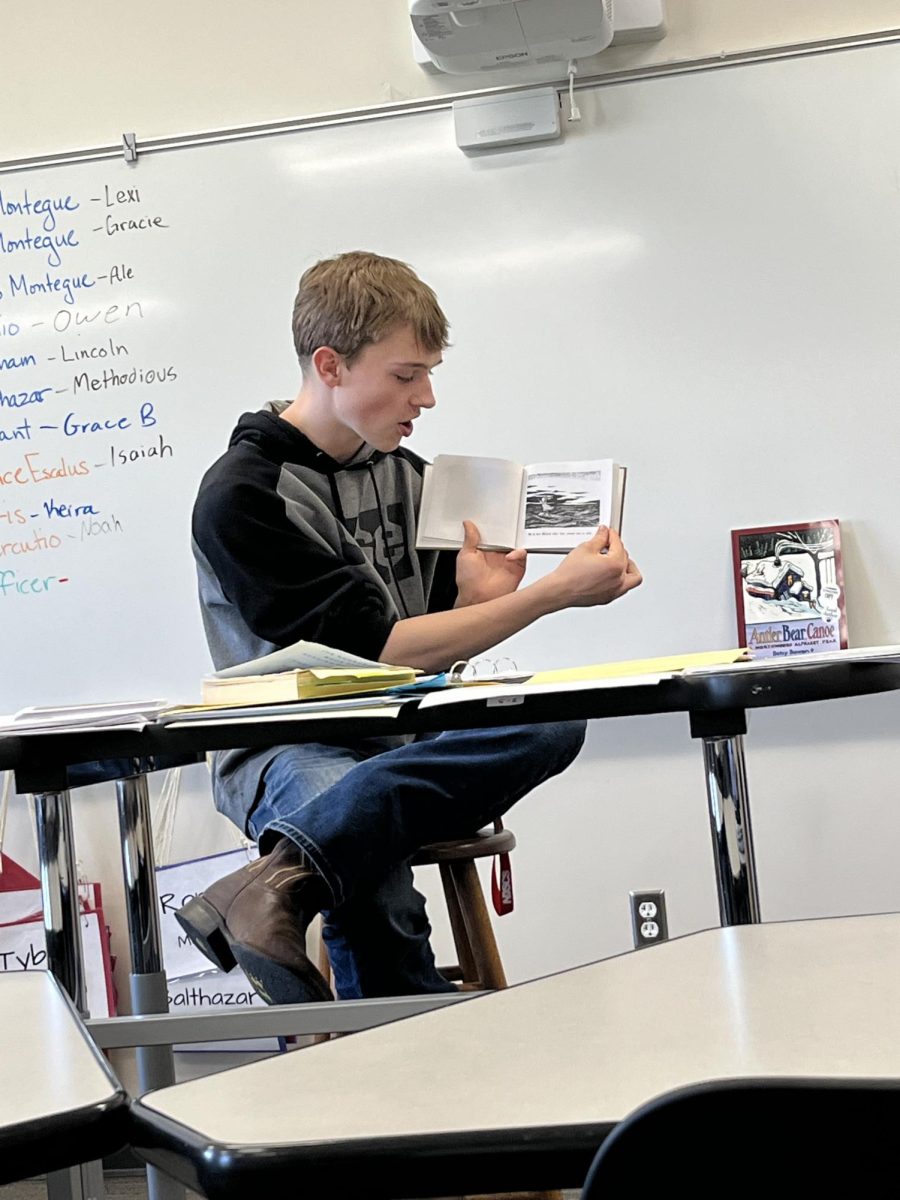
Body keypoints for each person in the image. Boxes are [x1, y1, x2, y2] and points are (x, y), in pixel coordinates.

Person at [177, 250, 642, 1005]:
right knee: (369, 873)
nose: (426, 396)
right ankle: (402, 1080)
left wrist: (472, 606)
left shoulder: (413, 474)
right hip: (288, 739)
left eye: (428, 373)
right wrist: (551, 595)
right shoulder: (244, 495)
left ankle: (270, 883)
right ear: (330, 365)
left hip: (403, 728)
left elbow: (421, 653)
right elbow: (376, 652)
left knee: (555, 723)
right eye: (405, 375)